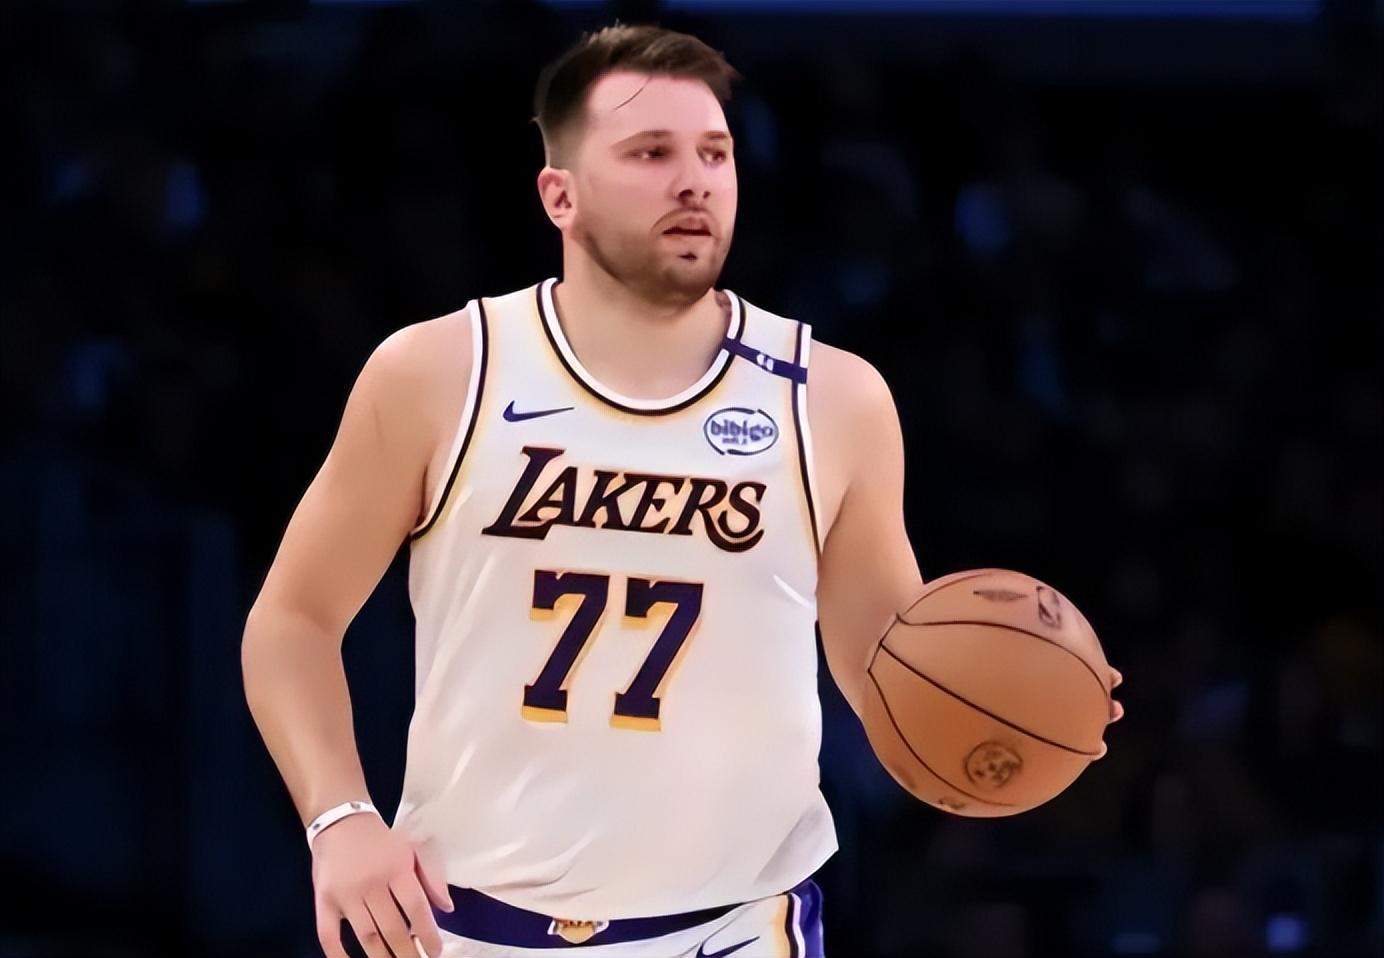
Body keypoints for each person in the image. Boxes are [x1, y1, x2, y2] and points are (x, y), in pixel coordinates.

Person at [241, 24, 1123, 958]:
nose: (694, 181)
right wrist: (338, 817)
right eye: (651, 153)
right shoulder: (439, 372)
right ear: (560, 196)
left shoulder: (833, 398)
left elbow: (892, 670)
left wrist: (1029, 691)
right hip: (467, 924)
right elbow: (293, 619)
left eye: (714, 153)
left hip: (736, 931)